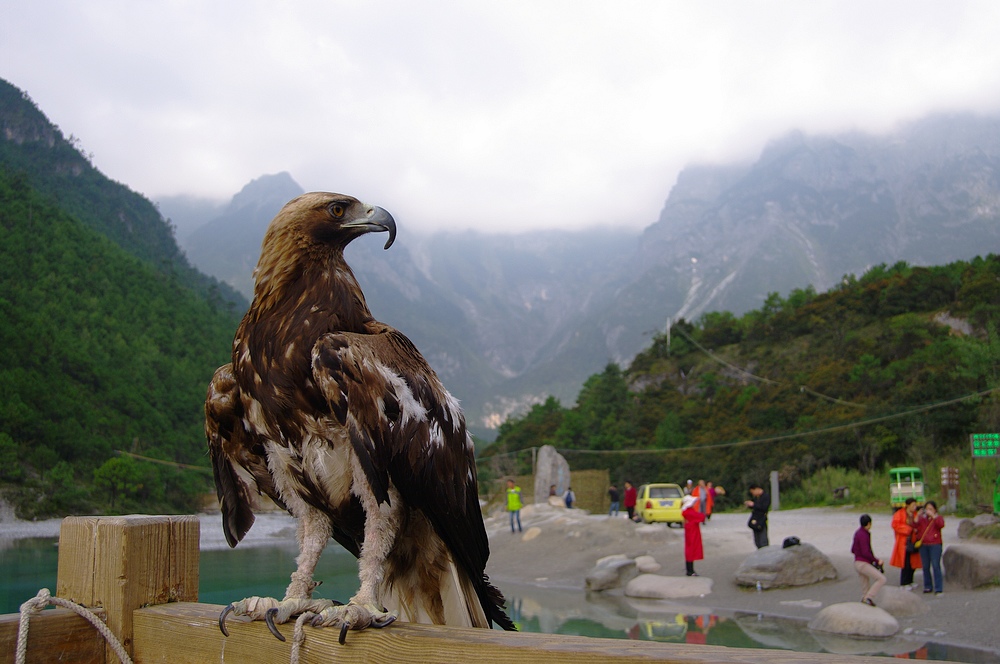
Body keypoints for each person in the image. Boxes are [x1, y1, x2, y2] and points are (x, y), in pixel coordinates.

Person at [851, 513, 886, 607]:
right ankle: (869, 597)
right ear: (869, 523)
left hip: (857, 562)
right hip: (863, 563)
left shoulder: (858, 533)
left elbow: (853, 549)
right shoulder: (864, 534)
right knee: (881, 579)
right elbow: (866, 552)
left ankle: (865, 599)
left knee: (865, 584)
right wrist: (876, 560)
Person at [914, 500, 946, 595]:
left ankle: (938, 588)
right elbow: (914, 525)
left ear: (935, 510)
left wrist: (934, 516)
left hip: (935, 544)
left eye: (931, 509)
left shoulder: (938, 518)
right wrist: (917, 516)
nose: (928, 511)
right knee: (925, 566)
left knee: (936, 565)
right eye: (927, 509)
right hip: (924, 544)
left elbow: (941, 525)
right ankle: (927, 586)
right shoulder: (922, 519)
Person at [890, 498, 921, 589]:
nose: (914, 507)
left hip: (913, 541)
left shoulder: (915, 514)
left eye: (915, 505)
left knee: (913, 563)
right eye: (913, 505)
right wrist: (908, 529)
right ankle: (904, 582)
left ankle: (910, 580)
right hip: (904, 542)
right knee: (905, 563)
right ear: (907, 505)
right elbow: (895, 525)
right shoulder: (899, 514)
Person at [681, 494, 706, 576]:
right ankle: (690, 571)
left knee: (689, 549)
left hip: (689, 531)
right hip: (692, 532)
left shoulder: (686, 511)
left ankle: (689, 569)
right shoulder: (689, 511)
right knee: (691, 549)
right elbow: (701, 517)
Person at [744, 483, 770, 548]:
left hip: (762, 519)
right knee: (757, 540)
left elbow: (764, 508)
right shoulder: (757, 497)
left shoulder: (766, 496)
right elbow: (755, 507)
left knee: (763, 539)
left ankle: (764, 552)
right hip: (755, 518)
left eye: (753, 492)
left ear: (757, 489)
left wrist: (753, 505)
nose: (753, 494)